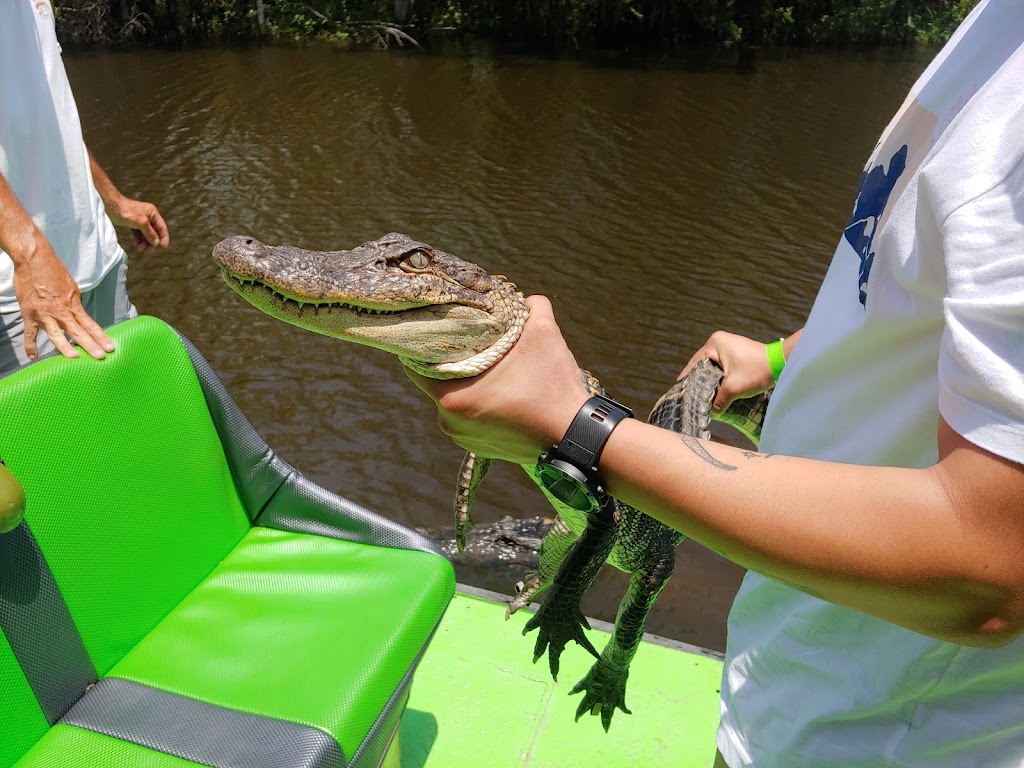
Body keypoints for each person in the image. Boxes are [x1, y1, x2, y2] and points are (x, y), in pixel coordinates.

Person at [406, 1, 1024, 765]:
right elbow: (916, 287)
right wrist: (782, 355)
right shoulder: (998, 27)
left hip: (877, 734)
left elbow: (991, 571)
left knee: (624, 567)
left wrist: (583, 429)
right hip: (799, 665)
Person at [0, 0, 169, 374]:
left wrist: (112, 200)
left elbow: (49, 118)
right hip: (19, 293)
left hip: (96, 258)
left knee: (128, 406)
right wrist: (29, 254)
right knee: (58, 429)